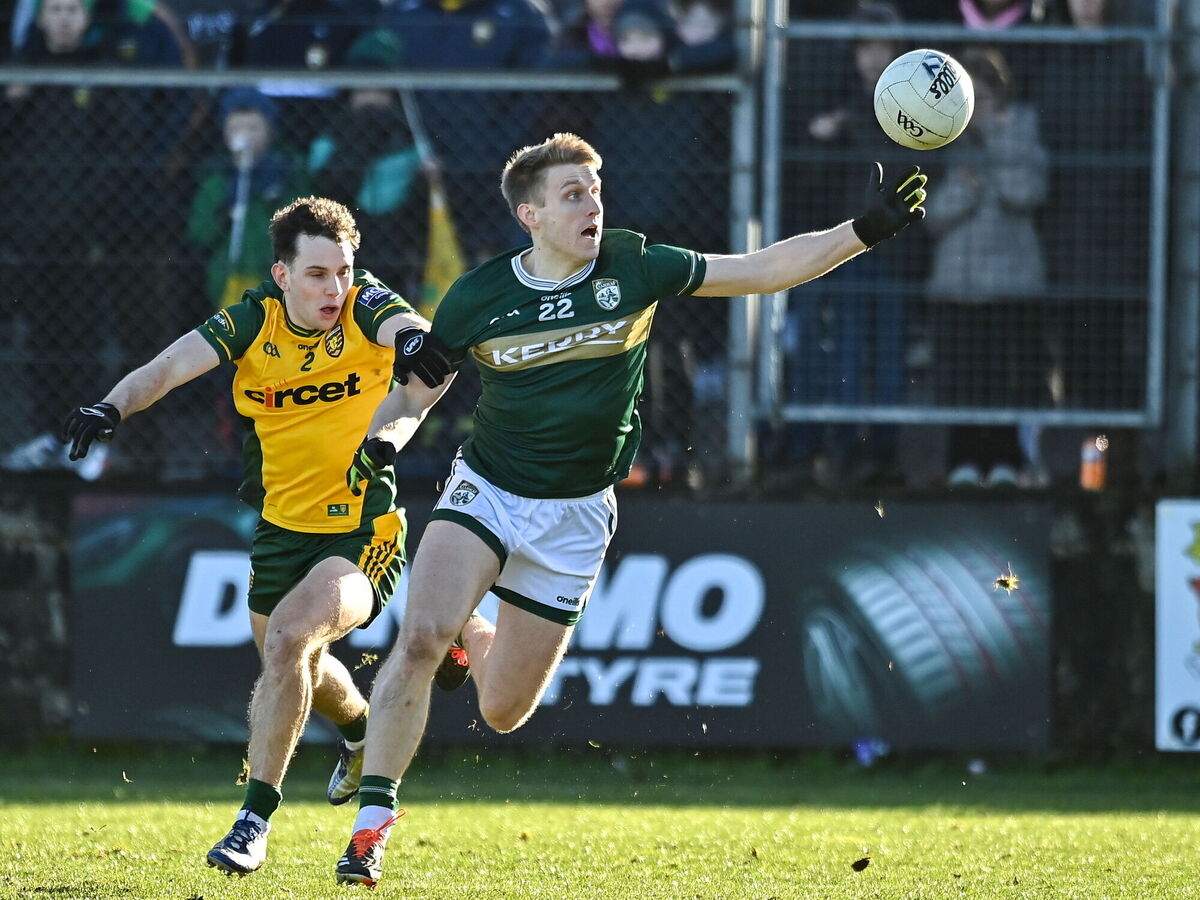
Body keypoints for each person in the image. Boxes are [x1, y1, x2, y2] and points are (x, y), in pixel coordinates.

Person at [330, 132, 929, 887]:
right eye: (572, 193)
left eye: (595, 189)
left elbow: (761, 270)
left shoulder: (633, 264)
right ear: (529, 215)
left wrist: (862, 231)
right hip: (488, 489)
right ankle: (369, 830)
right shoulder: (478, 296)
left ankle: (468, 637)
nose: (592, 204)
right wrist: (382, 441)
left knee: (504, 711)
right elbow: (415, 394)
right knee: (417, 638)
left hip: (577, 516)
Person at [59, 197, 445, 877]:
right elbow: (168, 367)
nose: (334, 288)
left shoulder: (364, 304)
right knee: (292, 658)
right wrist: (112, 405)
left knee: (291, 636)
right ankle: (360, 735)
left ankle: (254, 819)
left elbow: (405, 327)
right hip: (280, 530)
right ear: (282, 275)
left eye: (343, 271)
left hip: (362, 531)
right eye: (317, 274)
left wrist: (412, 339)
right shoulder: (251, 321)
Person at [923, 48, 1049, 488]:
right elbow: (930, 214)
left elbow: (1026, 192)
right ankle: (961, 461)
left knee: (1004, 378)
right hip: (956, 285)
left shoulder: (1022, 131)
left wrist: (998, 142)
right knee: (961, 377)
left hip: (1011, 284)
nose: (977, 110)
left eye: (985, 98)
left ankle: (1007, 463)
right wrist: (964, 190)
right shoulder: (940, 138)